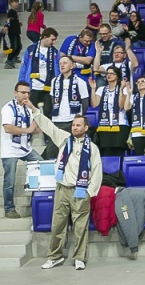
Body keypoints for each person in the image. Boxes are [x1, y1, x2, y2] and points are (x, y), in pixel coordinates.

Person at [25, 99, 102, 271]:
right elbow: (49, 126)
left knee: (80, 227)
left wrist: (89, 192)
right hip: (62, 189)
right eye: (73, 125)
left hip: (80, 191)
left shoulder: (93, 148)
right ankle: (55, 256)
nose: (74, 127)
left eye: (78, 125)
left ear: (85, 128)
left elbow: (97, 172)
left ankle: (79, 258)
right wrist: (33, 109)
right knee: (57, 225)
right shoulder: (64, 139)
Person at [0, 81, 43, 219]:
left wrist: (36, 127)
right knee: (10, 180)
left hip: (25, 147)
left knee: (42, 166)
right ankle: (9, 208)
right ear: (15, 93)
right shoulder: (8, 108)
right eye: (23, 92)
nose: (26, 95)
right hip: (10, 149)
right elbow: (8, 128)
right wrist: (28, 130)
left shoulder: (28, 108)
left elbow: (36, 127)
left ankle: (37, 201)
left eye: (28, 93)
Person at [42, 56, 90, 160]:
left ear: (72, 65)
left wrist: (78, 118)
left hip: (72, 121)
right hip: (56, 120)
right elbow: (51, 100)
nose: (62, 65)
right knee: (52, 151)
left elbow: (85, 103)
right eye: (60, 63)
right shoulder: (54, 81)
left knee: (71, 151)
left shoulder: (80, 82)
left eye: (65, 63)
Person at [18, 27, 60, 119]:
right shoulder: (30, 49)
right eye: (52, 39)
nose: (54, 42)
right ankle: (31, 133)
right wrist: (21, 85)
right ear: (45, 37)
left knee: (48, 114)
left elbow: (58, 69)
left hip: (49, 88)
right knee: (32, 114)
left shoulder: (55, 52)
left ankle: (47, 133)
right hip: (33, 87)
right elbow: (24, 67)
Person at [89, 66, 129, 156]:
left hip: (120, 124)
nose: (109, 75)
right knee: (105, 152)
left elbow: (120, 105)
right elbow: (94, 104)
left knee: (117, 152)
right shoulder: (101, 89)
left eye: (112, 73)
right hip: (104, 124)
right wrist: (93, 89)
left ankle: (119, 170)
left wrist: (121, 90)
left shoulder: (124, 89)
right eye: (107, 74)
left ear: (117, 76)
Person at [3, 0, 23, 69]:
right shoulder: (11, 12)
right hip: (12, 32)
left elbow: (13, 21)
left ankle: (14, 57)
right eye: (15, 2)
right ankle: (9, 60)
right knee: (13, 46)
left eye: (17, 2)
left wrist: (18, 23)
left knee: (19, 46)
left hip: (16, 31)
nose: (17, 4)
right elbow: (9, 20)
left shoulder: (15, 12)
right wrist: (6, 26)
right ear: (11, 4)